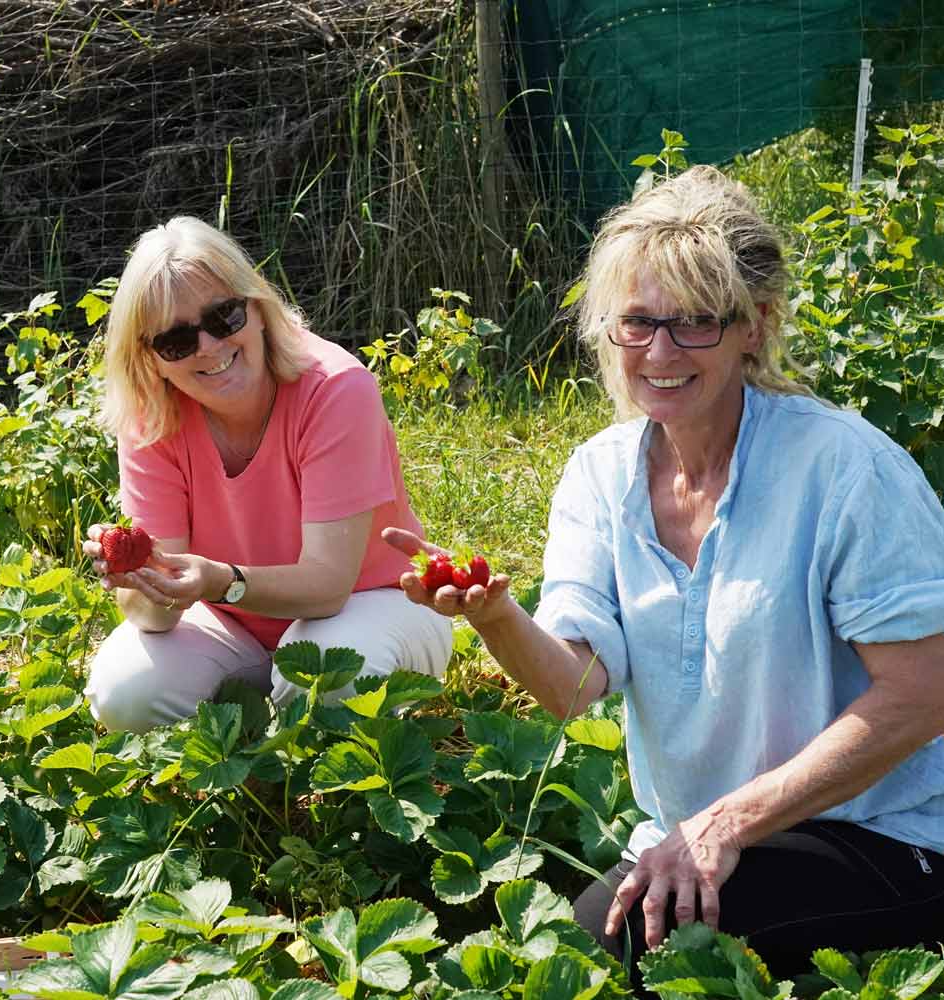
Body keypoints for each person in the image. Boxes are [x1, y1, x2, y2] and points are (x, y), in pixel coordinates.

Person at [385, 164, 944, 975]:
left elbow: (924, 693)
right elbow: (572, 689)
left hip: (886, 833)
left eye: (694, 325)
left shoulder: (845, 469)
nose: (660, 352)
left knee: (641, 953)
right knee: (577, 954)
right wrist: (492, 615)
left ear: (753, 325)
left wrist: (727, 824)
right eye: (638, 322)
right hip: (697, 843)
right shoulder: (600, 473)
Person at [80, 216, 453, 733]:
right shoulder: (150, 418)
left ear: (258, 309)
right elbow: (155, 615)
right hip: (233, 623)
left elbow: (328, 586)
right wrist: (139, 579)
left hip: (376, 601)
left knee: (322, 676)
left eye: (224, 316)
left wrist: (220, 580)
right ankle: (260, 739)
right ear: (152, 360)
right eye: (176, 341)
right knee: (127, 693)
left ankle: (301, 747)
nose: (208, 347)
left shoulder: (335, 390)